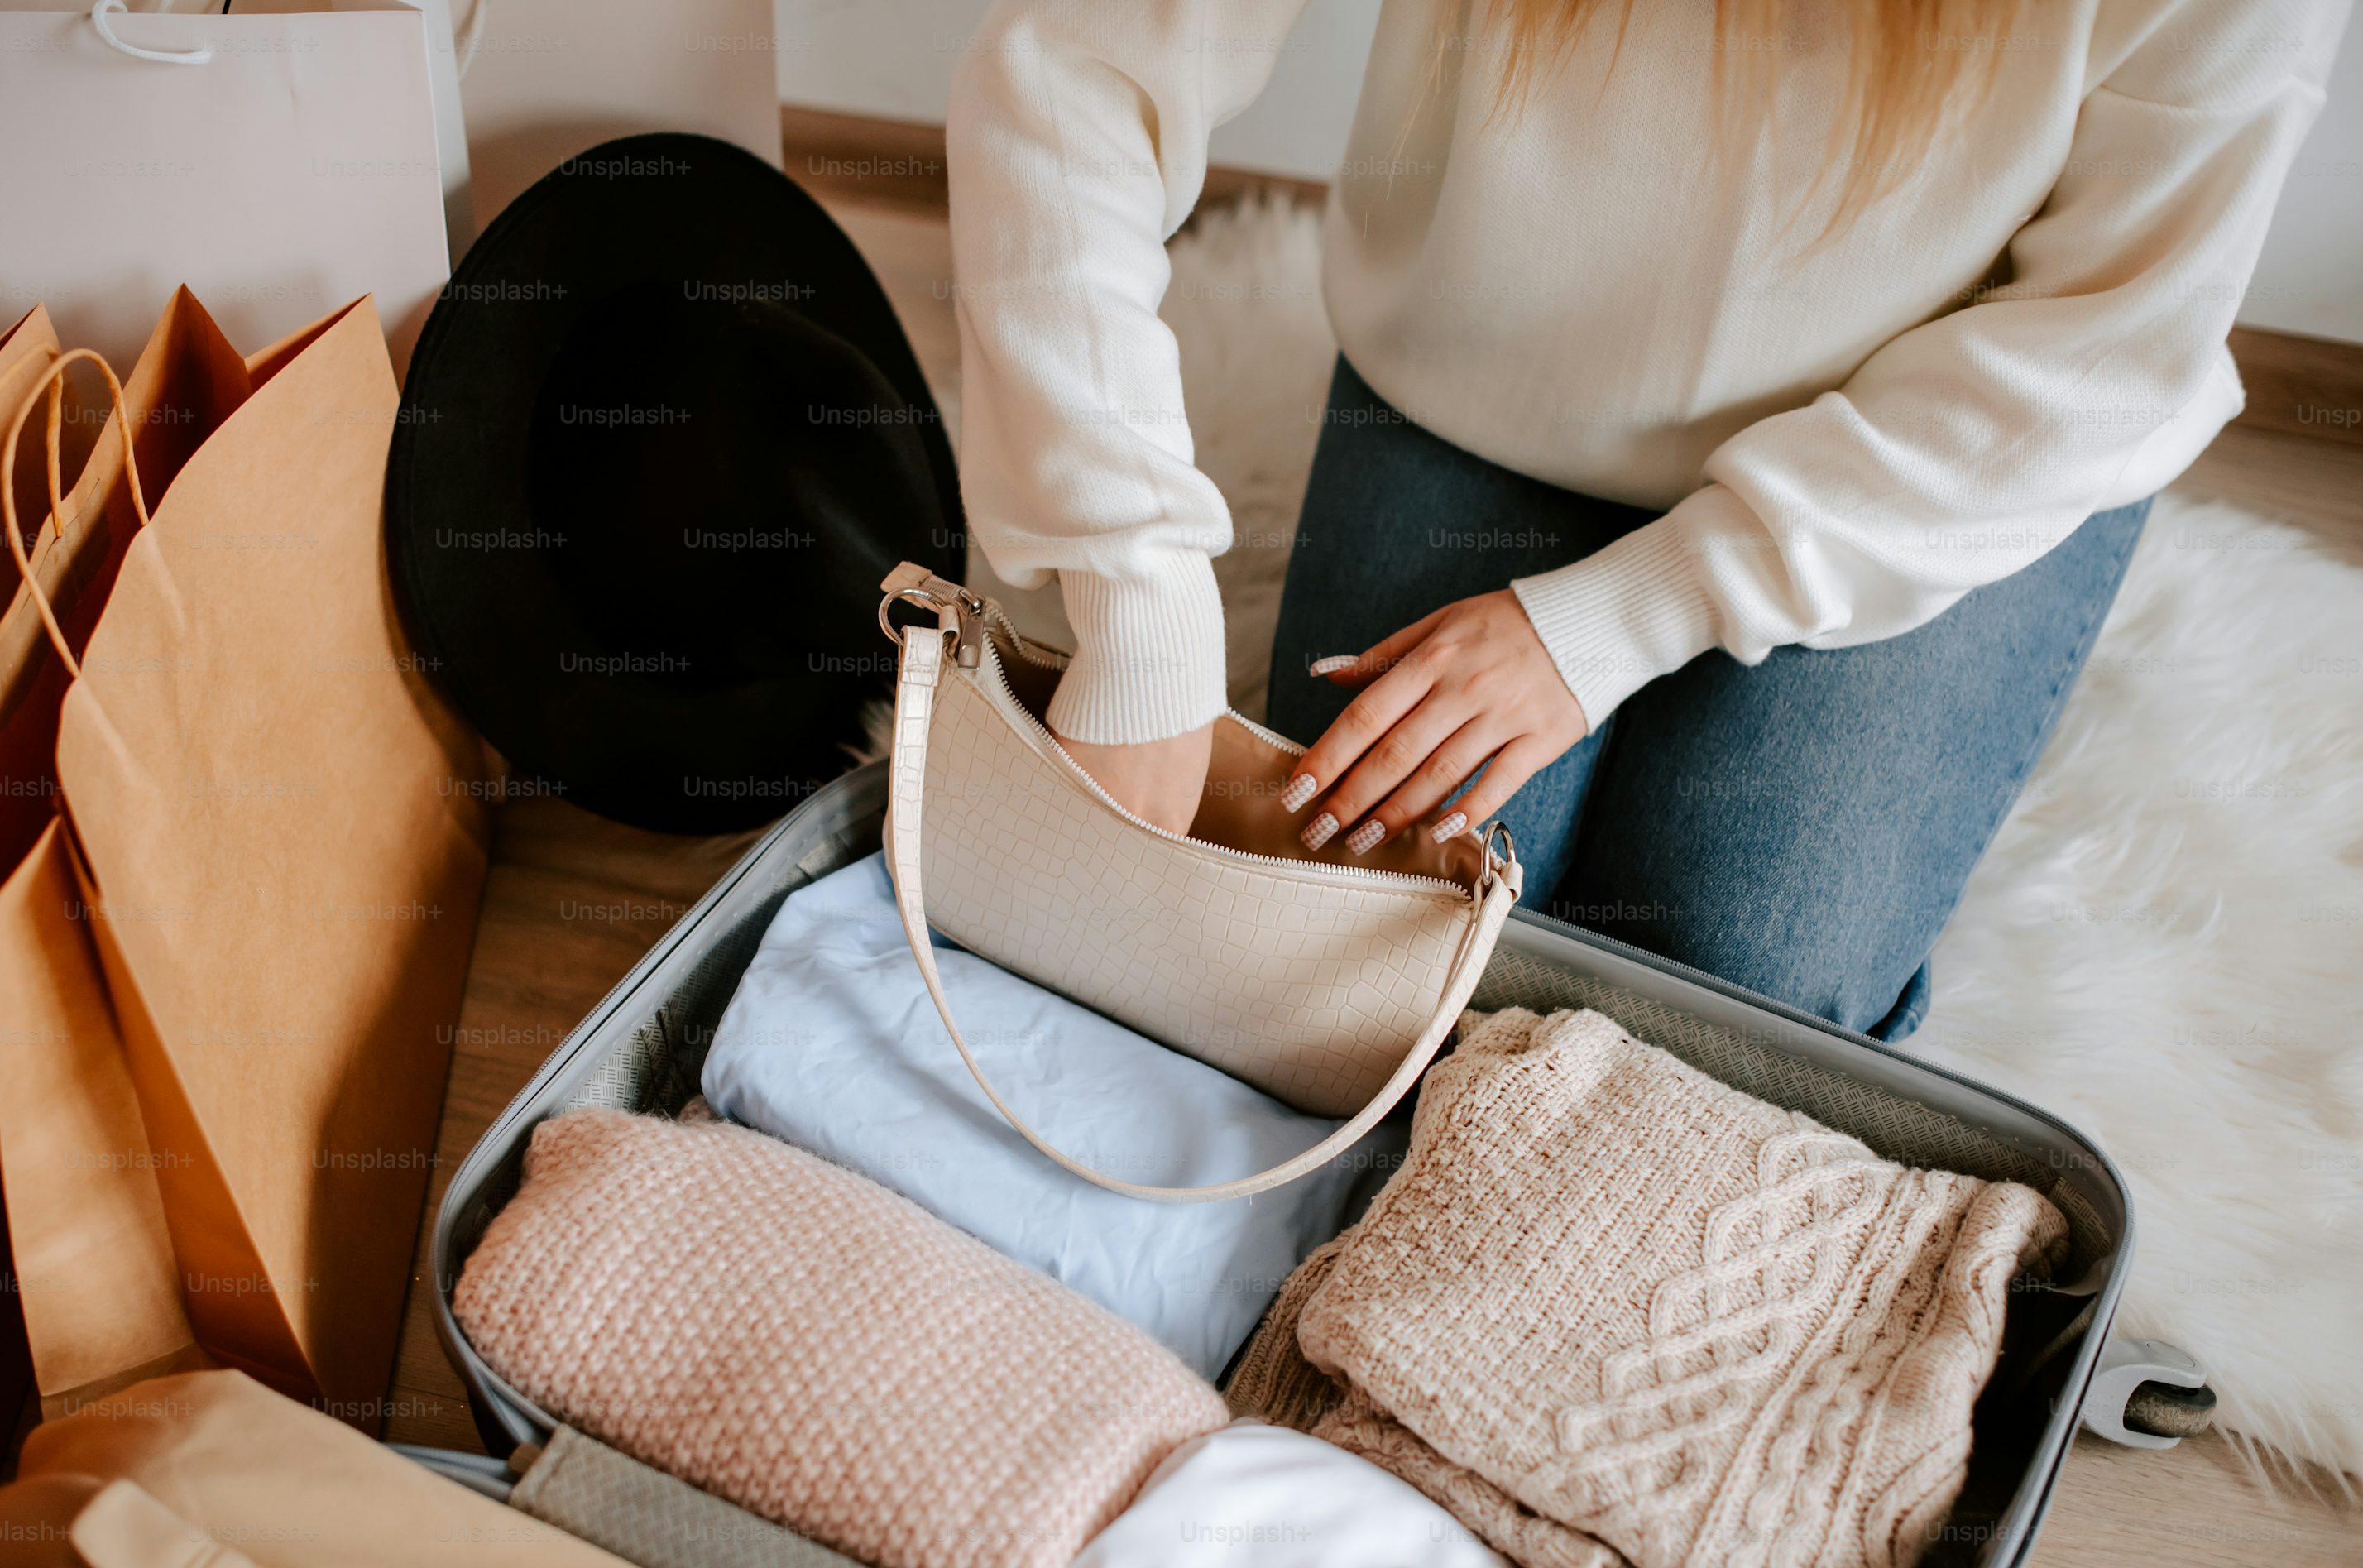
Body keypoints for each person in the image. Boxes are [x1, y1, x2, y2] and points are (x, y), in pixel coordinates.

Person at [942, 0, 2341, 1038]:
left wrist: (1615, 623)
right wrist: (1133, 580)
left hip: (1949, 426)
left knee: (1734, 995)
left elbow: (2115, 335)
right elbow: (1076, 66)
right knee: (1375, 947)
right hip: (1490, 377)